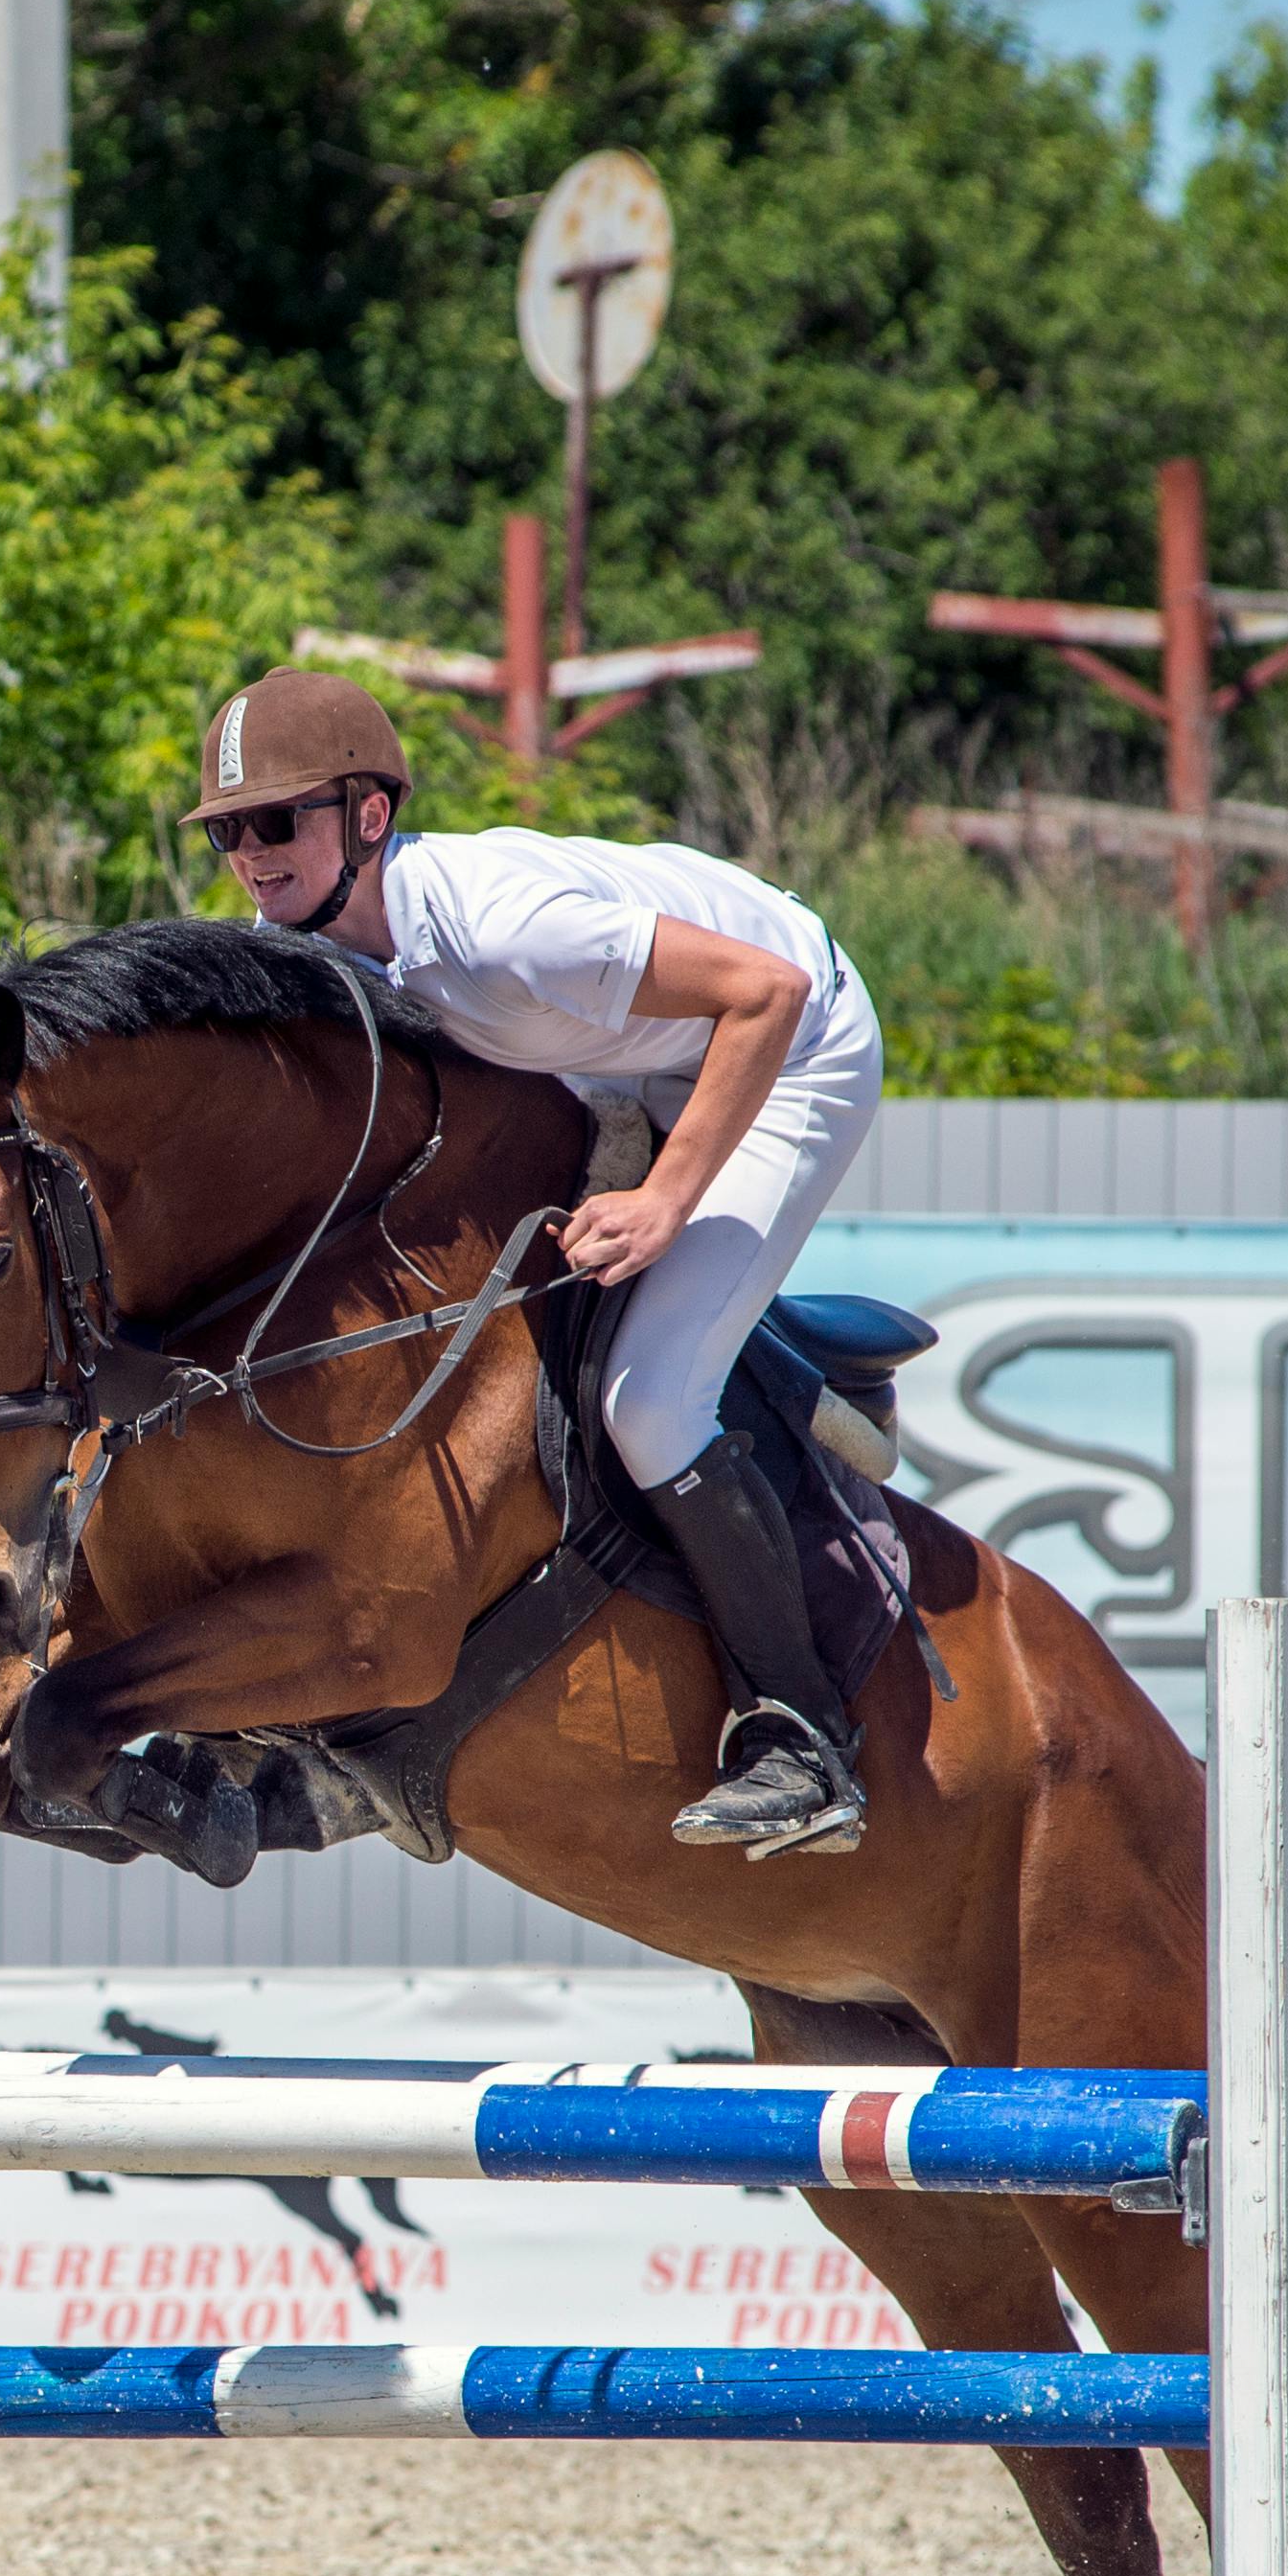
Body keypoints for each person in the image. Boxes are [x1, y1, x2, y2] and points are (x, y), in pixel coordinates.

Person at [183, 666, 887, 1859]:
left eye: (277, 820)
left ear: (368, 814)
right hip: (614, 1060)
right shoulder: (305, 942)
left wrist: (667, 1200)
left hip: (790, 1039)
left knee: (647, 1400)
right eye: (228, 830)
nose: (250, 854)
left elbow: (759, 995)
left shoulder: (503, 926)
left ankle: (805, 1740)